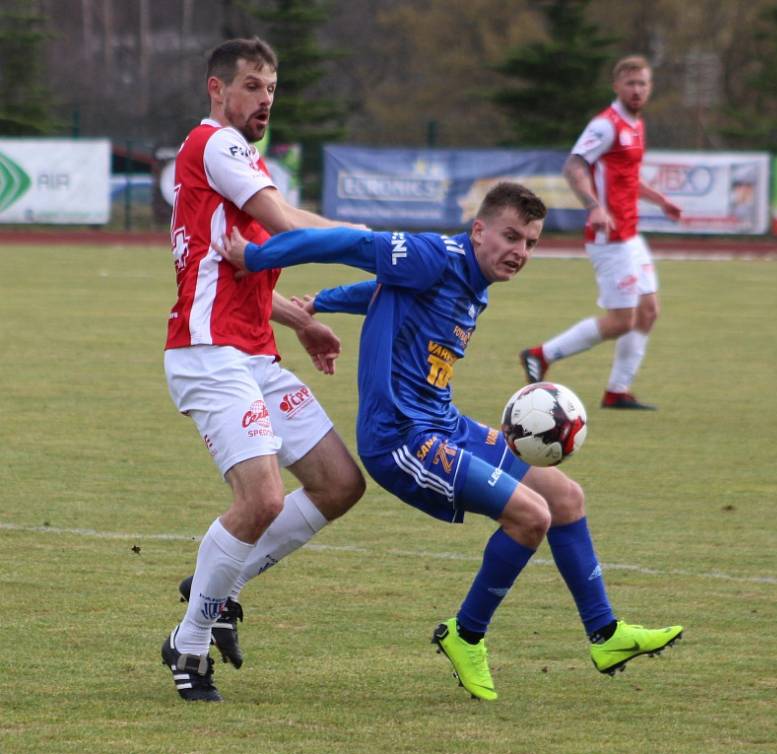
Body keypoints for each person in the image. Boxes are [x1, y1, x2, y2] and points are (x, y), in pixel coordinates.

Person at [215, 182, 683, 702]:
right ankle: (465, 634)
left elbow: (383, 292)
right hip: (402, 438)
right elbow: (345, 244)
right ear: (478, 230)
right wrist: (258, 256)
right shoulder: (430, 254)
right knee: (531, 517)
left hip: (445, 423)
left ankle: (606, 634)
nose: (520, 252)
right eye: (510, 236)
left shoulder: (470, 277)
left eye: (530, 242)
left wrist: (319, 305)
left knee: (566, 498)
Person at [161, 37, 366, 702]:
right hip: (209, 354)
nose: (264, 99)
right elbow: (285, 223)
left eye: (271, 89)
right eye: (251, 85)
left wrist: (302, 320)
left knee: (338, 483)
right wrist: (371, 245)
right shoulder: (216, 144)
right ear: (217, 90)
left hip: (251, 352)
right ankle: (188, 647)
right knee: (264, 499)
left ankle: (221, 586)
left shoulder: (238, 163)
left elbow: (235, 266)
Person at [520, 56, 682, 410]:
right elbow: (573, 165)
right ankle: (540, 354)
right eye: (630, 83)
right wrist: (594, 205)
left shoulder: (636, 124)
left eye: (642, 83)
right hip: (610, 240)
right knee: (623, 320)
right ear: (617, 87)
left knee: (649, 310)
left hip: (630, 235)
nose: (637, 89)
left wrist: (660, 200)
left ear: (650, 87)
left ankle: (617, 391)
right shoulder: (605, 125)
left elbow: (626, 177)